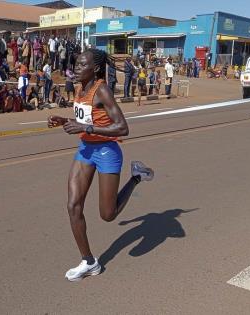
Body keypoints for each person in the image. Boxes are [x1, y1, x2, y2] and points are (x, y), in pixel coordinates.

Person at [47, 49, 153, 282]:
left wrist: (86, 129)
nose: (75, 68)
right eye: (75, 64)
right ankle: (89, 262)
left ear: (94, 69)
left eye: (81, 65)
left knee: (108, 214)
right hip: (85, 150)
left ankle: (136, 177)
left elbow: (123, 128)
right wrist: (65, 121)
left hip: (107, 152)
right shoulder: (79, 88)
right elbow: (86, 120)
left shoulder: (101, 90)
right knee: (73, 206)